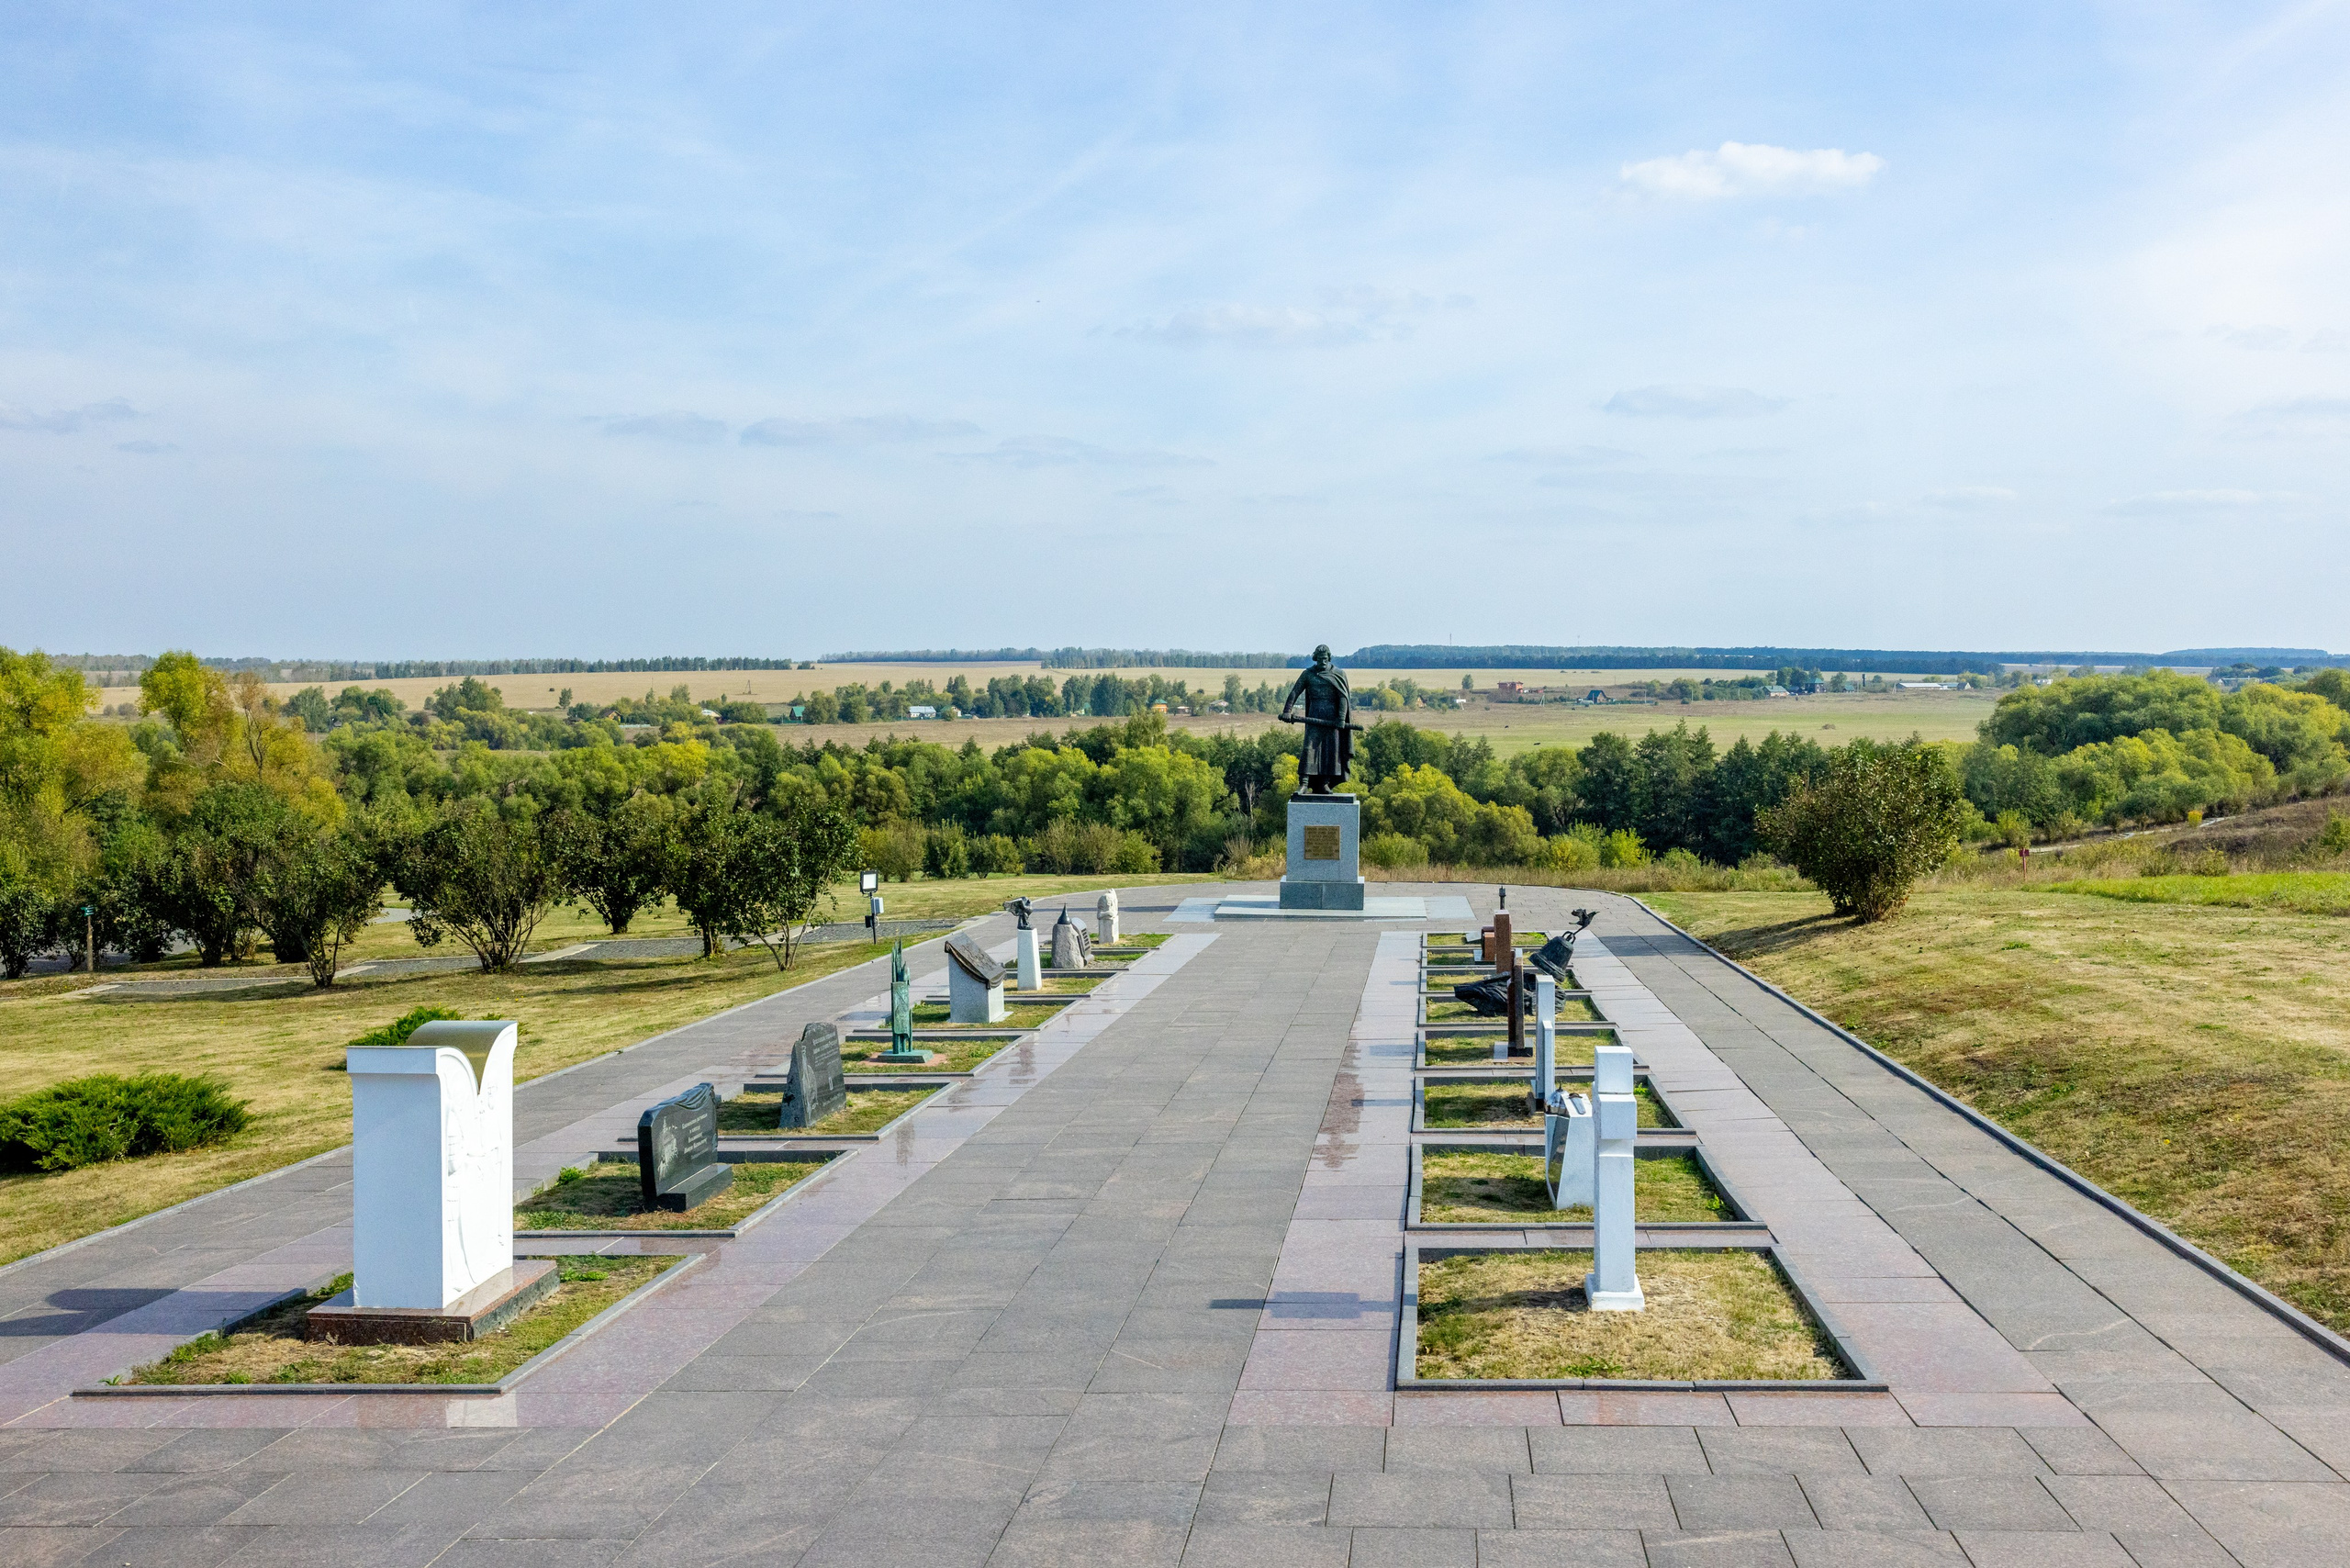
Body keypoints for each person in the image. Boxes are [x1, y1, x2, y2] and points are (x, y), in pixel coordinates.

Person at [1279, 644, 1358, 794]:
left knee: (1330, 751)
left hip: (1332, 719)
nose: (1323, 662)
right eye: (1320, 659)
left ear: (1329, 658)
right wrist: (1287, 711)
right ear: (1316, 659)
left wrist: (1341, 718)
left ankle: (1324, 784)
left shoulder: (1339, 674)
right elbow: (1295, 692)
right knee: (1309, 749)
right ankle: (1304, 783)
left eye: (1325, 659)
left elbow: (1343, 698)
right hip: (1314, 716)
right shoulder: (1308, 674)